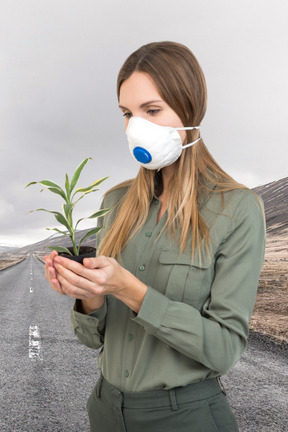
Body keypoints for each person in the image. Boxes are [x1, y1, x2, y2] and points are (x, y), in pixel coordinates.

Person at [44, 41, 266, 432]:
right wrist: (89, 292)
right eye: (127, 113)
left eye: (152, 110)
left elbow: (224, 350)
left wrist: (131, 289)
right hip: (106, 410)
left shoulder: (237, 210)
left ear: (189, 110)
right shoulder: (115, 203)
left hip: (187, 417)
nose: (136, 127)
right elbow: (94, 340)